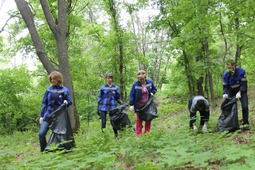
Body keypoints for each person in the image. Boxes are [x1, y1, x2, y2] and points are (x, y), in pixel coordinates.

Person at [38, 71, 72, 152]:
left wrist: (66, 103)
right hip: (48, 115)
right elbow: (44, 103)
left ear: (58, 79)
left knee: (59, 135)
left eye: (54, 79)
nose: (52, 81)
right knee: (41, 134)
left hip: (59, 117)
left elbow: (69, 101)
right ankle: (43, 151)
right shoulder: (48, 90)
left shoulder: (64, 90)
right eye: (51, 79)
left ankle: (61, 151)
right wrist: (42, 116)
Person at [129, 70, 157, 137]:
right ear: (138, 78)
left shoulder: (149, 82)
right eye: (140, 79)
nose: (141, 81)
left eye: (143, 79)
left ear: (145, 77)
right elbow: (131, 95)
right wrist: (131, 104)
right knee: (139, 120)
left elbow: (154, 89)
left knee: (148, 119)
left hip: (148, 105)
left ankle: (147, 134)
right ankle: (139, 135)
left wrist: (152, 92)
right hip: (138, 105)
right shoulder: (135, 85)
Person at [222, 60, 249, 129]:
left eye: (230, 67)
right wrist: (225, 93)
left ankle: (245, 123)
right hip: (231, 91)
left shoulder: (241, 72)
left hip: (241, 90)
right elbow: (225, 86)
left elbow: (244, 84)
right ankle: (232, 124)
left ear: (234, 65)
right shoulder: (226, 75)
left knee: (245, 106)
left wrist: (240, 92)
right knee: (231, 107)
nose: (229, 69)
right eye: (227, 68)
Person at [97, 73, 124, 137]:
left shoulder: (116, 87)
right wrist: (98, 108)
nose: (109, 79)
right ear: (106, 79)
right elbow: (99, 97)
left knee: (114, 121)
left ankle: (116, 135)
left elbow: (118, 98)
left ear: (112, 79)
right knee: (103, 122)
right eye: (108, 78)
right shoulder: (102, 87)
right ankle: (103, 136)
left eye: (111, 78)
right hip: (103, 106)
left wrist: (122, 103)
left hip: (112, 106)